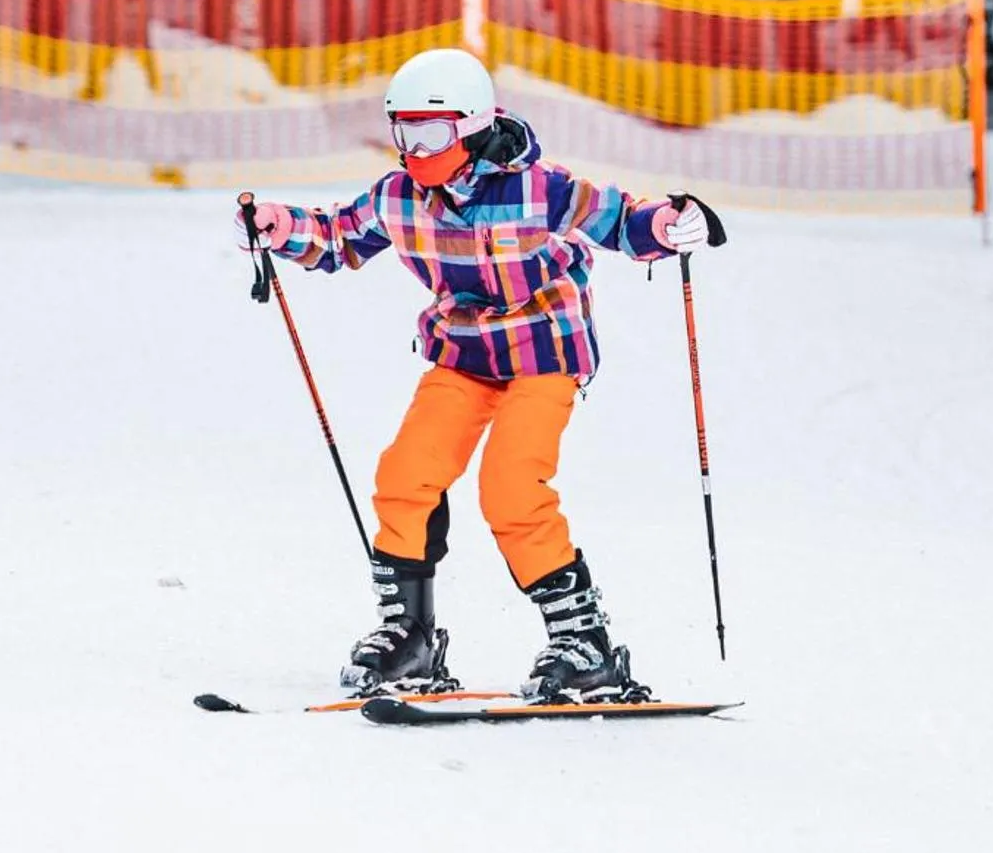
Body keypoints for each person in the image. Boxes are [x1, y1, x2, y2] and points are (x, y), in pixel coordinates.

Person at [236, 48, 719, 701]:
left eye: (428, 132)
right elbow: (338, 238)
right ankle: (409, 639)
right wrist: (279, 227)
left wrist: (668, 223)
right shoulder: (399, 196)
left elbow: (621, 221)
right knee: (404, 476)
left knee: (511, 487)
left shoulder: (541, 189)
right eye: (401, 129)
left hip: (545, 350)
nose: (412, 148)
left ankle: (586, 646)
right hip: (463, 353)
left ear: (471, 125)